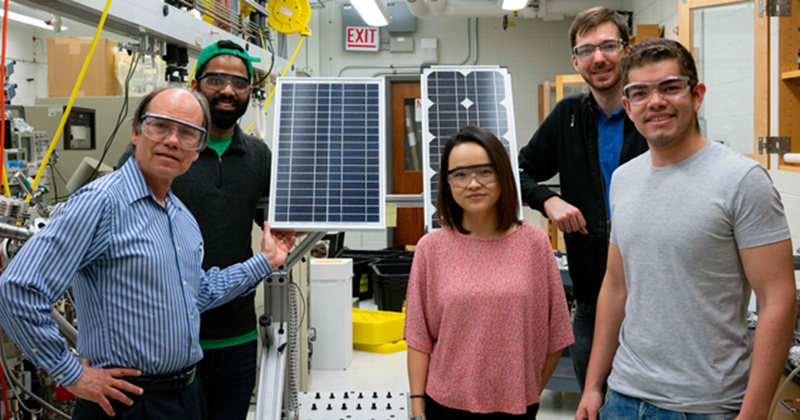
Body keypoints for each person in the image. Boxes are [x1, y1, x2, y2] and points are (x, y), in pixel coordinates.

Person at [0, 86, 295, 419]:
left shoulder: (180, 216)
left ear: (197, 149)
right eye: (160, 126)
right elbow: (18, 289)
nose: (172, 140)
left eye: (187, 134)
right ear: (136, 132)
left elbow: (197, 293)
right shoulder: (101, 203)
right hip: (128, 404)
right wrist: (72, 374)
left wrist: (266, 261)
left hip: (186, 396)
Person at [576, 38, 796, 419]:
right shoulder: (624, 179)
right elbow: (615, 286)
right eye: (640, 93)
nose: (656, 101)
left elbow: (778, 299)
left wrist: (755, 410)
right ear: (627, 107)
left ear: (697, 95)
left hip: (705, 406)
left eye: (670, 87)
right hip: (622, 397)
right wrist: (594, 385)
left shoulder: (742, 180)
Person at [118, 40, 271, 419]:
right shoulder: (156, 155)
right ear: (196, 82)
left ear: (250, 91)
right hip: (162, 346)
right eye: (216, 78)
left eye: (240, 82)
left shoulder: (259, 157)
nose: (228, 90)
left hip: (236, 335)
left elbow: (274, 225)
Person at [517, 6, 648, 391]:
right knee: (594, 403)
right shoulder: (567, 117)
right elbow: (517, 171)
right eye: (587, 50)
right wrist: (546, 199)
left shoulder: (652, 114)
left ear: (627, 49)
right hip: (591, 299)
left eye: (609, 45)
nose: (599, 58)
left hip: (654, 298)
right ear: (576, 61)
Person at [404, 126, 574, 419]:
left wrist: (530, 392)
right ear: (446, 184)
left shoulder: (533, 243)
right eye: (459, 174)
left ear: (502, 176)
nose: (473, 183)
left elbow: (556, 332)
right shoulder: (430, 248)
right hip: (445, 404)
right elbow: (418, 338)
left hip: (517, 405)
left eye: (484, 171)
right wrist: (417, 407)